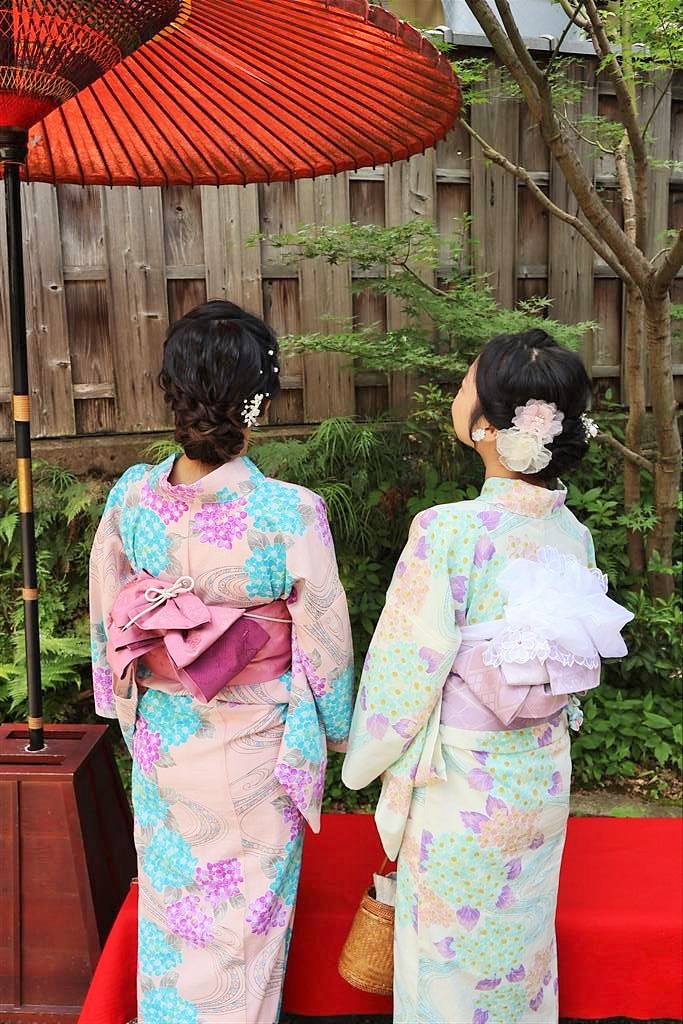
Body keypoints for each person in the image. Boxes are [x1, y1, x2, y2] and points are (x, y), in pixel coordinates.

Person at [342, 329, 633, 1024]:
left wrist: (366, 758)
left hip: (463, 780)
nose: (456, 395)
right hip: (540, 768)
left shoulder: (446, 531)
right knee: (517, 945)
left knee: (450, 953)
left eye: (464, 384)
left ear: (486, 427)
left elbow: (404, 670)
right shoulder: (573, 534)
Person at [89, 300, 354, 1024]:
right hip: (257, 744)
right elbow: (324, 637)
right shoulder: (291, 510)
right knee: (247, 924)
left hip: (167, 736)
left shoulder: (133, 496)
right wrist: (337, 731)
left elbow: (109, 611)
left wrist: (118, 699)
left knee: (173, 908)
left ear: (171, 392)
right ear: (258, 399)